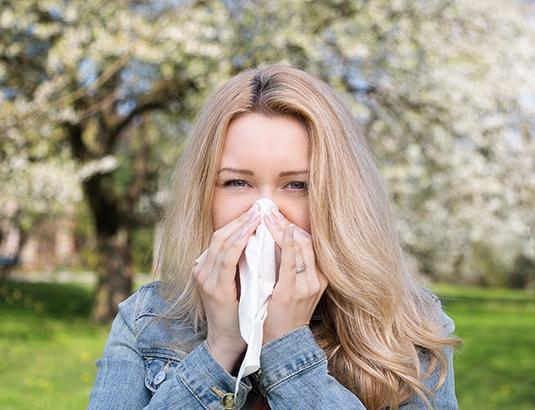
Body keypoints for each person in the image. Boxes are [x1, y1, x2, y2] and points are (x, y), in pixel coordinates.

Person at [88, 66, 459, 410]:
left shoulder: (406, 326)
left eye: (297, 185)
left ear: (339, 198)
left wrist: (287, 349)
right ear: (204, 194)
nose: (265, 213)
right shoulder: (148, 320)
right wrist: (220, 350)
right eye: (237, 182)